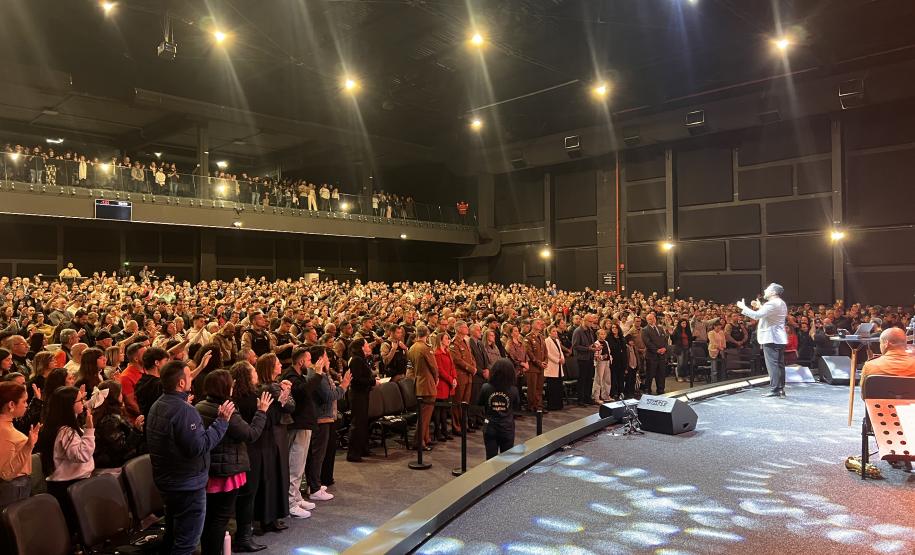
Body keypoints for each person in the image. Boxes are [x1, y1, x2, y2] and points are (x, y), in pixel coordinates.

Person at [146, 361, 232, 555]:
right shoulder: (185, 411)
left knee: (173, 536)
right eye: (189, 375)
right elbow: (199, 447)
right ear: (181, 383)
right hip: (187, 485)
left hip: (168, 482)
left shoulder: (157, 405)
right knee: (186, 543)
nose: (192, 377)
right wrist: (221, 422)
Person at [196, 370, 272, 555]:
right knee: (220, 519)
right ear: (225, 387)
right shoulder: (227, 409)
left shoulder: (199, 406)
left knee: (210, 517)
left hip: (209, 469)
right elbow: (251, 434)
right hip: (226, 470)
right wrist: (262, 412)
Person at [243, 354, 295, 530]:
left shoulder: (265, 386)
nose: (281, 365)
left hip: (268, 434)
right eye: (278, 363)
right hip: (273, 435)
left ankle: (267, 517)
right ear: (271, 367)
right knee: (274, 476)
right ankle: (270, 518)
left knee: (269, 477)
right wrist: (287, 391)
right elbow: (290, 406)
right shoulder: (273, 387)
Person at [38, 385, 95, 531]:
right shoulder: (65, 431)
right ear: (69, 405)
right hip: (67, 486)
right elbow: (82, 455)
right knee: (77, 529)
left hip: (71, 483)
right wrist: (89, 430)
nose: (83, 403)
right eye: (80, 400)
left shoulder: (62, 426)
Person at [282, 347, 321, 517]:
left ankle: (296, 498)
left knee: (300, 465)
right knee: (295, 465)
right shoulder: (290, 376)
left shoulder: (298, 375)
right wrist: (317, 374)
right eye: (309, 360)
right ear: (301, 361)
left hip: (303, 424)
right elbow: (302, 392)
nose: (311, 364)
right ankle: (291, 503)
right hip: (297, 425)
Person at [737, 283, 788, 398]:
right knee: (779, 364)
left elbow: (756, 316)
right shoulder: (781, 303)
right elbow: (769, 314)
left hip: (771, 337)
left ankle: (775, 389)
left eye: (767, 289)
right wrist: (760, 305)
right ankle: (780, 389)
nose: (765, 290)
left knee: (772, 364)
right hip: (779, 337)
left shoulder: (772, 303)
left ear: (773, 292)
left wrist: (743, 307)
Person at [0, 381, 40, 509]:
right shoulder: (4, 431)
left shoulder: (7, 426)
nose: (26, 405)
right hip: (13, 489)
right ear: (11, 404)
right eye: (24, 401)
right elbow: (6, 473)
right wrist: (28, 446)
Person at [91, 380, 144, 472]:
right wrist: (136, 430)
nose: (122, 395)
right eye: (120, 393)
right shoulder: (109, 420)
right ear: (115, 396)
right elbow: (121, 449)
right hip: (116, 465)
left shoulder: (109, 413)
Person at [477, 358, 520, 460]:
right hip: (507, 427)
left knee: (490, 459)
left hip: (490, 426)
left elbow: (480, 403)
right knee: (507, 460)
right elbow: (516, 406)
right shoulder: (514, 390)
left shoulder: (486, 387)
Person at [346, 338, 377, 462]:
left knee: (363, 422)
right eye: (366, 344)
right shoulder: (356, 360)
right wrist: (373, 382)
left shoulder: (361, 359)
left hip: (363, 394)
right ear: (361, 347)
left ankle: (363, 449)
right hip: (357, 395)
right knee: (357, 423)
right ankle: (353, 453)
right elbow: (356, 380)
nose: (369, 346)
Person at [432, 331, 456, 443]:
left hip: (448, 384)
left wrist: (454, 378)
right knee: (438, 410)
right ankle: (438, 432)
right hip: (441, 384)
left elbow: (452, 367)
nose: (448, 340)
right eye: (446, 338)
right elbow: (440, 370)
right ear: (440, 340)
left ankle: (445, 431)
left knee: (445, 409)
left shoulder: (447, 352)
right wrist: (451, 380)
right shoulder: (437, 354)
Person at [571, 314, 597, 405]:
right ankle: (581, 399)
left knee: (589, 379)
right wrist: (588, 348)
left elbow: (591, 343)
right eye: (590, 321)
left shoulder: (590, 330)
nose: (591, 323)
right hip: (581, 359)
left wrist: (595, 347)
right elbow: (575, 346)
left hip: (590, 357)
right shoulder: (578, 331)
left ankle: (587, 397)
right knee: (582, 379)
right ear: (584, 321)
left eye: (592, 322)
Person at [641, 312, 669, 395]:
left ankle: (661, 390)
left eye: (653, 318)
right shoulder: (645, 330)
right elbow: (647, 342)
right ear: (647, 320)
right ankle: (648, 390)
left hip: (662, 355)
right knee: (650, 374)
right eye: (650, 319)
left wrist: (665, 348)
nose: (652, 320)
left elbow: (665, 340)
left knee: (661, 374)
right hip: (652, 356)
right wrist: (657, 350)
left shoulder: (660, 328)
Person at [525, 319, 547, 412]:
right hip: (533, 367)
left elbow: (545, 351)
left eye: (541, 323)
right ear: (532, 325)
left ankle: (539, 406)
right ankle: (532, 406)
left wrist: (545, 361)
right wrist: (539, 363)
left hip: (541, 366)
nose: (540, 324)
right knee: (532, 388)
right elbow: (529, 353)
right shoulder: (528, 338)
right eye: (538, 323)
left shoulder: (541, 337)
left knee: (539, 388)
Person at [544, 325, 565, 411]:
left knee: (559, 386)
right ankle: (552, 405)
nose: (555, 333)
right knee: (552, 387)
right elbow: (547, 353)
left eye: (556, 331)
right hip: (552, 365)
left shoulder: (557, 340)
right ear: (549, 332)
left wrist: (562, 358)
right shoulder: (547, 341)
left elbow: (560, 351)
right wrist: (557, 360)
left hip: (559, 366)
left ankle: (558, 404)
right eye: (553, 331)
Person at [592, 328, 612, 402]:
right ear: (598, 335)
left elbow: (609, 352)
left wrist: (609, 358)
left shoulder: (606, 342)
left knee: (607, 379)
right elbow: (595, 356)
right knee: (598, 380)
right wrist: (602, 357)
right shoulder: (596, 343)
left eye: (604, 334)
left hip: (607, 362)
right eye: (601, 334)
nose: (603, 335)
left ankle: (606, 395)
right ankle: (596, 397)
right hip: (600, 363)